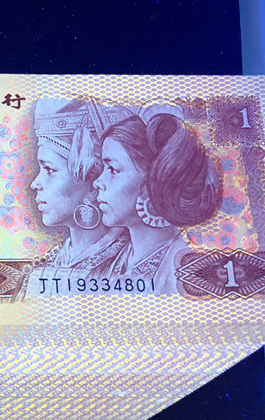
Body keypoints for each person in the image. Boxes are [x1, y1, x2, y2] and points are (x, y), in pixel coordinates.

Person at [94, 103, 220, 293]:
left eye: (112, 169)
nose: (97, 182)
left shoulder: (187, 268)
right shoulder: (111, 261)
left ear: (153, 181)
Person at [25, 98, 131, 296]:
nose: (35, 184)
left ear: (92, 183)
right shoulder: (48, 265)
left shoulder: (130, 263)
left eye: (49, 169)